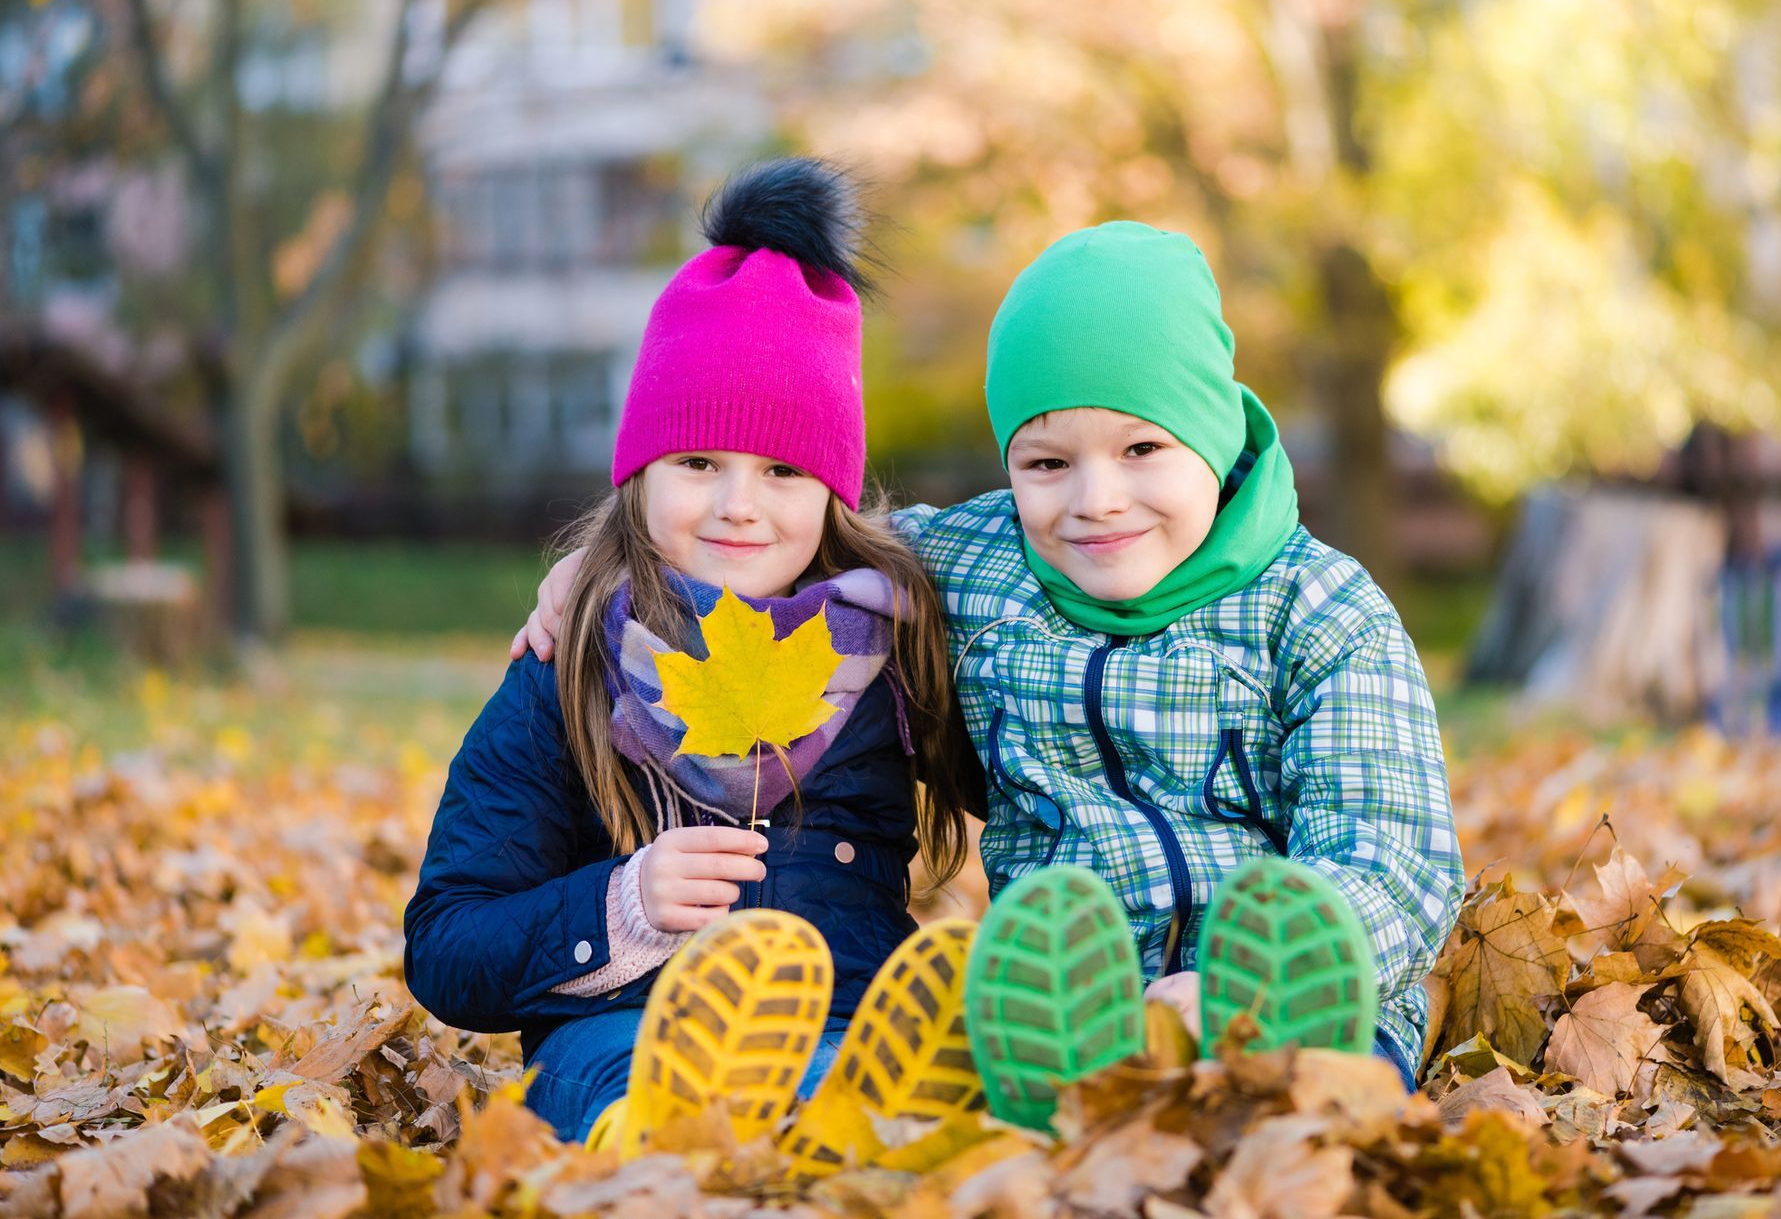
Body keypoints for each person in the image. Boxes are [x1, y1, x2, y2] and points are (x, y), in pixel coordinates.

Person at [514, 221, 1465, 1130]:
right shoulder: (970, 568)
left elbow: (1399, 858)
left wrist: (1239, 990)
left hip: (1300, 1003)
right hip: (1062, 1004)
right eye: (1047, 462)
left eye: (1143, 449)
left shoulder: (1322, 611)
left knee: (1296, 1111)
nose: (1097, 500)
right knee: (1041, 1126)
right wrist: (600, 568)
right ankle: (1066, 1101)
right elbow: (795, 542)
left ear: (1212, 437)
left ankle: (1274, 1062)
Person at [406, 159, 982, 1170]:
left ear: (834, 492)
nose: (737, 507)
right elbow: (448, 944)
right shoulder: (570, 664)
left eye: (784, 472)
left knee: (847, 1101)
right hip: (622, 1031)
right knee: (632, 1096)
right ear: (639, 473)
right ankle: (669, 1154)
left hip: (840, 1026)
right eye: (698, 463)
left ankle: (873, 1125)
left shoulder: (894, 646)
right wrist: (616, 907)